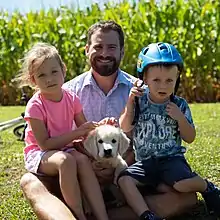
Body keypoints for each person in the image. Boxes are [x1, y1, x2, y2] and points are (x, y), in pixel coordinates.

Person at [20, 21, 197, 220]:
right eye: (98, 47)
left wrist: (115, 165)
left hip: (124, 176)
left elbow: (146, 143)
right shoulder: (65, 91)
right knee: (30, 182)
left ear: (122, 51)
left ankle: (98, 216)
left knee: (186, 198)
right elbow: (60, 143)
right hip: (77, 176)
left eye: (111, 47)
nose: (104, 53)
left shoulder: (142, 92)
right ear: (87, 50)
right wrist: (90, 164)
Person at [118, 42, 220, 220]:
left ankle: (205, 186)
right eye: (156, 80)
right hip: (145, 163)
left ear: (177, 79)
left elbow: (190, 138)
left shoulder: (179, 105)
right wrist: (130, 102)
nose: (162, 86)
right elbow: (125, 127)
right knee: (124, 180)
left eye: (169, 81)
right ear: (144, 79)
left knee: (180, 185)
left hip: (172, 160)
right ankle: (147, 215)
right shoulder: (138, 102)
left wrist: (180, 118)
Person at [20, 42, 109, 220]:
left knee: (82, 160)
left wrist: (100, 126)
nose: (49, 79)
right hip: (40, 154)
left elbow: (85, 130)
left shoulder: (71, 98)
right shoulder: (35, 105)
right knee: (66, 161)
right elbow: (44, 144)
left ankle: (102, 216)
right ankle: (78, 215)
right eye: (42, 75)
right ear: (33, 80)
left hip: (64, 148)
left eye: (54, 71)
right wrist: (78, 133)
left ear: (63, 70)